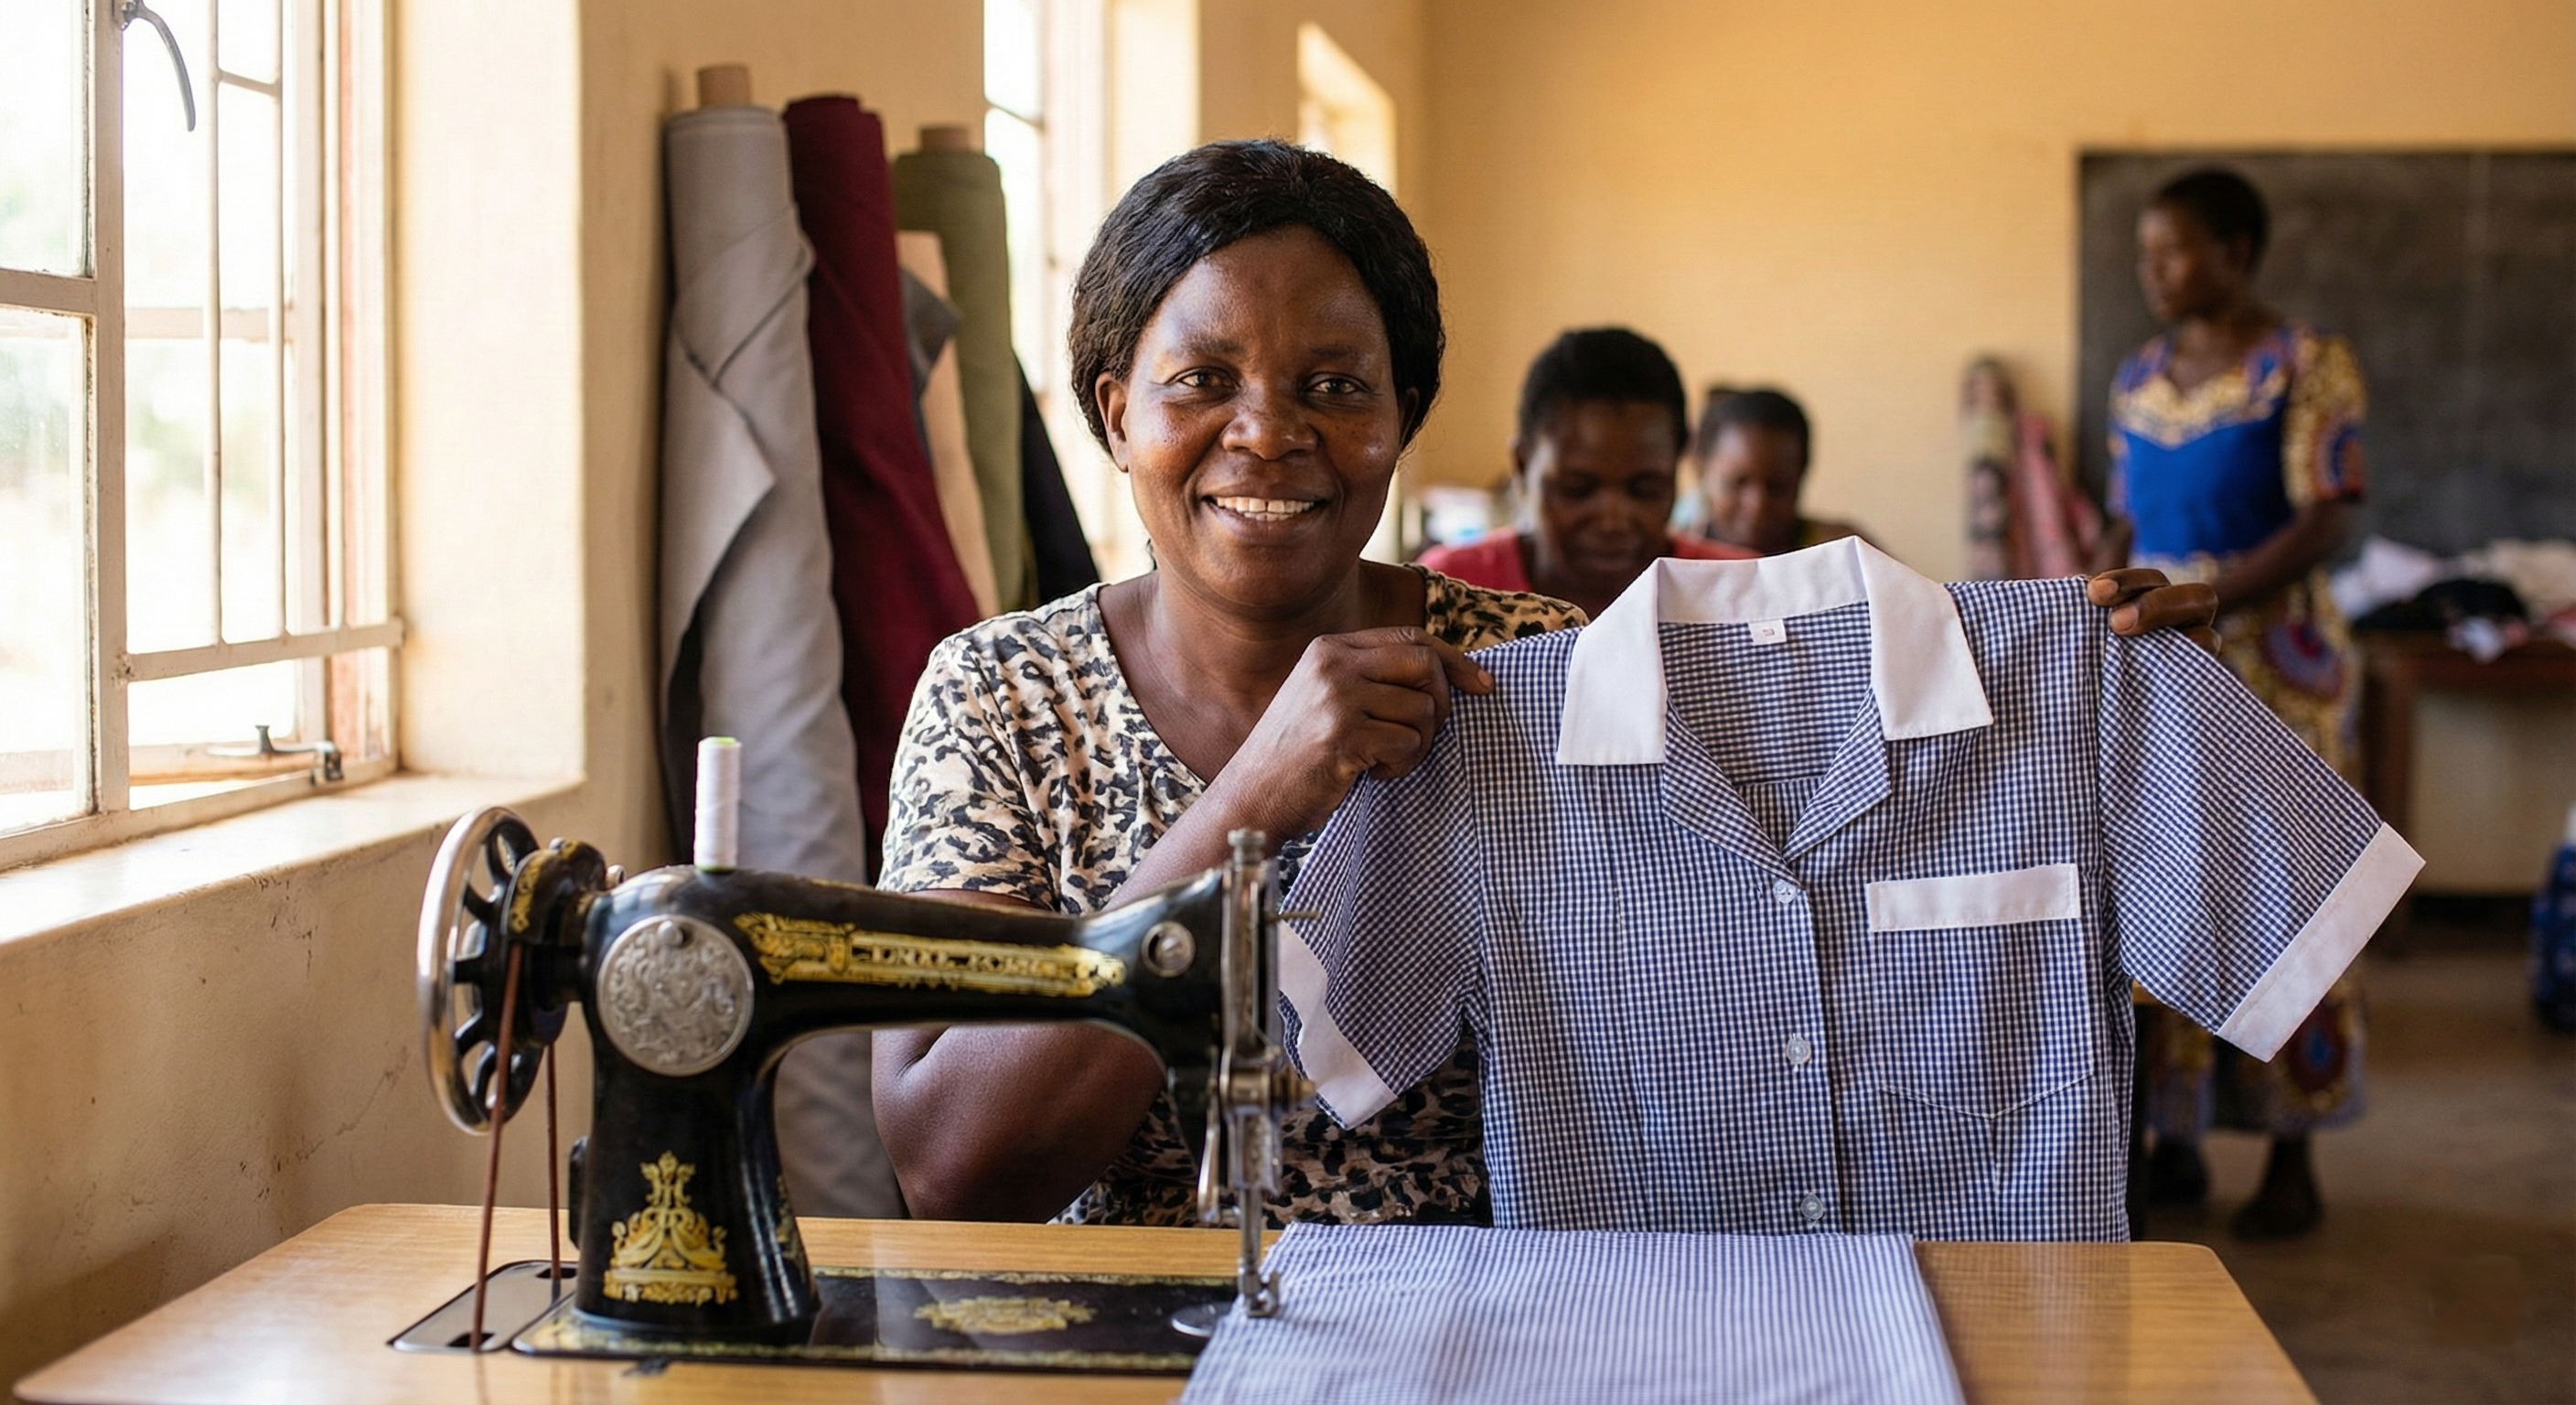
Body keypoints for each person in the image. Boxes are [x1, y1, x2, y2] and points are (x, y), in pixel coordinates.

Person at [869, 138, 2221, 1228]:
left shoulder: (1527, 664)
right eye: (1201, 380)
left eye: (1335, 383)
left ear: (1402, 418)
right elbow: (956, 1173)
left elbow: (1779, 840)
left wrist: (2049, 659)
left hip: (1494, 1345)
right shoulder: (999, 703)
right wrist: (1258, 797)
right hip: (1105, 1360)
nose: (1269, 431)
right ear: (1116, 414)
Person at [2106, 166, 2368, 1242]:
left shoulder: (2305, 363)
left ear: (2235, 251)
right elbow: (2122, 526)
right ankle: (2172, 1141)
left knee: (2285, 900)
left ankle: (2289, 1155)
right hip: (2160, 666)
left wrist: (2207, 592)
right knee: (2163, 895)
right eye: (2144, 253)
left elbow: (2323, 520)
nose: (2152, 271)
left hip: (2277, 665)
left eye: (2172, 250)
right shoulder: (2134, 376)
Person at [1418, 328, 1753, 620]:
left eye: (1646, 490)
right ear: (1522, 466)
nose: (1613, 521)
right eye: (1576, 489)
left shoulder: (1736, 590)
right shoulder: (1450, 590)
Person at [1690, 387, 1873, 556]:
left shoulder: (1845, 555)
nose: (1757, 506)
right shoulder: (1674, 562)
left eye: (1777, 487)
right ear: (1702, 471)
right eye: (1738, 482)